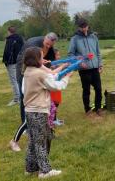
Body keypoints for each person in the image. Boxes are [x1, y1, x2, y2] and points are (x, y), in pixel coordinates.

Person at [22, 47, 72, 178]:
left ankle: (30, 168)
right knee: (41, 141)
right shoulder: (39, 74)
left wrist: (60, 68)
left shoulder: (28, 71)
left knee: (34, 140)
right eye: (41, 57)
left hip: (30, 111)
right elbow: (56, 85)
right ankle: (45, 171)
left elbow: (50, 75)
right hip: (38, 112)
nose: (43, 59)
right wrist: (66, 77)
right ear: (36, 59)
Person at [9, 33, 59, 152]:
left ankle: (47, 133)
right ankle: (14, 141)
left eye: (50, 45)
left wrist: (61, 68)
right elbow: (39, 67)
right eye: (46, 44)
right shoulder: (32, 48)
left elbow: (50, 68)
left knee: (47, 111)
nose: (48, 47)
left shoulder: (38, 68)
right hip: (32, 102)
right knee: (28, 120)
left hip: (39, 99)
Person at [68, 19, 104, 117]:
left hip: (95, 68)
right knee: (86, 90)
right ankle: (87, 110)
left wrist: (100, 64)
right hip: (84, 70)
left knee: (98, 89)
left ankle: (98, 108)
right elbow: (71, 54)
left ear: (88, 26)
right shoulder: (74, 39)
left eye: (85, 26)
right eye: (81, 26)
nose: (84, 28)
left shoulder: (94, 37)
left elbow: (98, 52)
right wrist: (79, 64)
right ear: (79, 27)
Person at [2, 26, 24, 106]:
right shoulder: (20, 39)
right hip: (20, 61)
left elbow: (8, 52)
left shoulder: (10, 40)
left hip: (12, 63)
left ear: (9, 31)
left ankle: (16, 98)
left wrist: (6, 61)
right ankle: (21, 96)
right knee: (19, 79)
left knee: (13, 80)